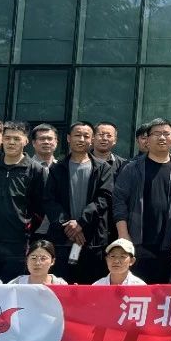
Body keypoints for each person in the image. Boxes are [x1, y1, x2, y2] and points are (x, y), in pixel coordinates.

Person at [113, 117, 171, 284]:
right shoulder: (132, 168)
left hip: (169, 244)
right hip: (138, 242)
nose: (162, 137)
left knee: (165, 291)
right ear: (147, 139)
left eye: (166, 133)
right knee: (138, 290)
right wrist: (123, 234)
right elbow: (119, 202)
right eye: (156, 134)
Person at [0, 120, 48, 282]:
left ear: (26, 141)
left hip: (18, 241)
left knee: (14, 286)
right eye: (7, 138)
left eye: (16, 138)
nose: (11, 142)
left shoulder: (36, 170)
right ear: (2, 140)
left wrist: (25, 226)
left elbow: (40, 208)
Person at [44, 120, 114, 285]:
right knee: (63, 285)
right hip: (63, 238)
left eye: (86, 136)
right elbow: (49, 200)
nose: (81, 139)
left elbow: (104, 198)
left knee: (91, 287)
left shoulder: (102, 168)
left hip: (92, 239)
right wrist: (69, 225)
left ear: (92, 140)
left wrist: (81, 223)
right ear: (69, 138)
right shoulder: (57, 168)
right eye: (77, 135)